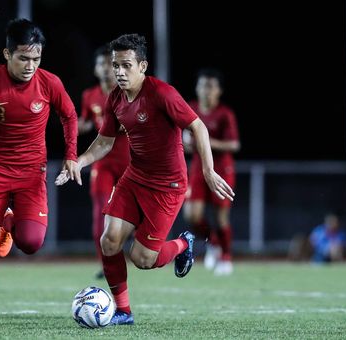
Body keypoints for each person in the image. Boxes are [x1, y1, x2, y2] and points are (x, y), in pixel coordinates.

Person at [56, 33, 234, 326]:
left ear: (143, 66)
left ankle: (182, 245)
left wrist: (207, 170)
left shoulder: (162, 94)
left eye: (126, 65)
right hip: (135, 177)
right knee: (109, 241)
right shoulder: (115, 98)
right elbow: (104, 142)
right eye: (116, 65)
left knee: (142, 259)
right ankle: (124, 312)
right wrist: (78, 161)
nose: (119, 72)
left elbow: (198, 127)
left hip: (168, 186)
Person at [0, 18, 80, 330]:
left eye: (36, 58)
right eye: (23, 57)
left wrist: (71, 156)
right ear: (7, 54)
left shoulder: (49, 83)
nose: (30, 65)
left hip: (30, 174)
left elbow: (69, 115)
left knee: (32, 243)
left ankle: (8, 223)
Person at [77, 44, 131, 277]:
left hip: (130, 160)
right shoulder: (89, 95)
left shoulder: (128, 91)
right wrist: (76, 126)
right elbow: (87, 121)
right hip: (103, 161)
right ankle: (106, 263)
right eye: (103, 65)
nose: (108, 69)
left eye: (111, 64)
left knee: (134, 214)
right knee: (100, 211)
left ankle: (140, 249)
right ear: (96, 69)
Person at [182, 68, 240, 276]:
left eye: (211, 86)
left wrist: (204, 140)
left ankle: (226, 256)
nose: (206, 91)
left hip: (222, 168)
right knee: (192, 214)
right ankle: (214, 242)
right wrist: (186, 142)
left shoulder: (225, 114)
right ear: (197, 88)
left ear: (219, 91)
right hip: (198, 168)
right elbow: (185, 140)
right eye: (203, 86)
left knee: (221, 216)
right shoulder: (191, 108)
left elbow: (234, 144)